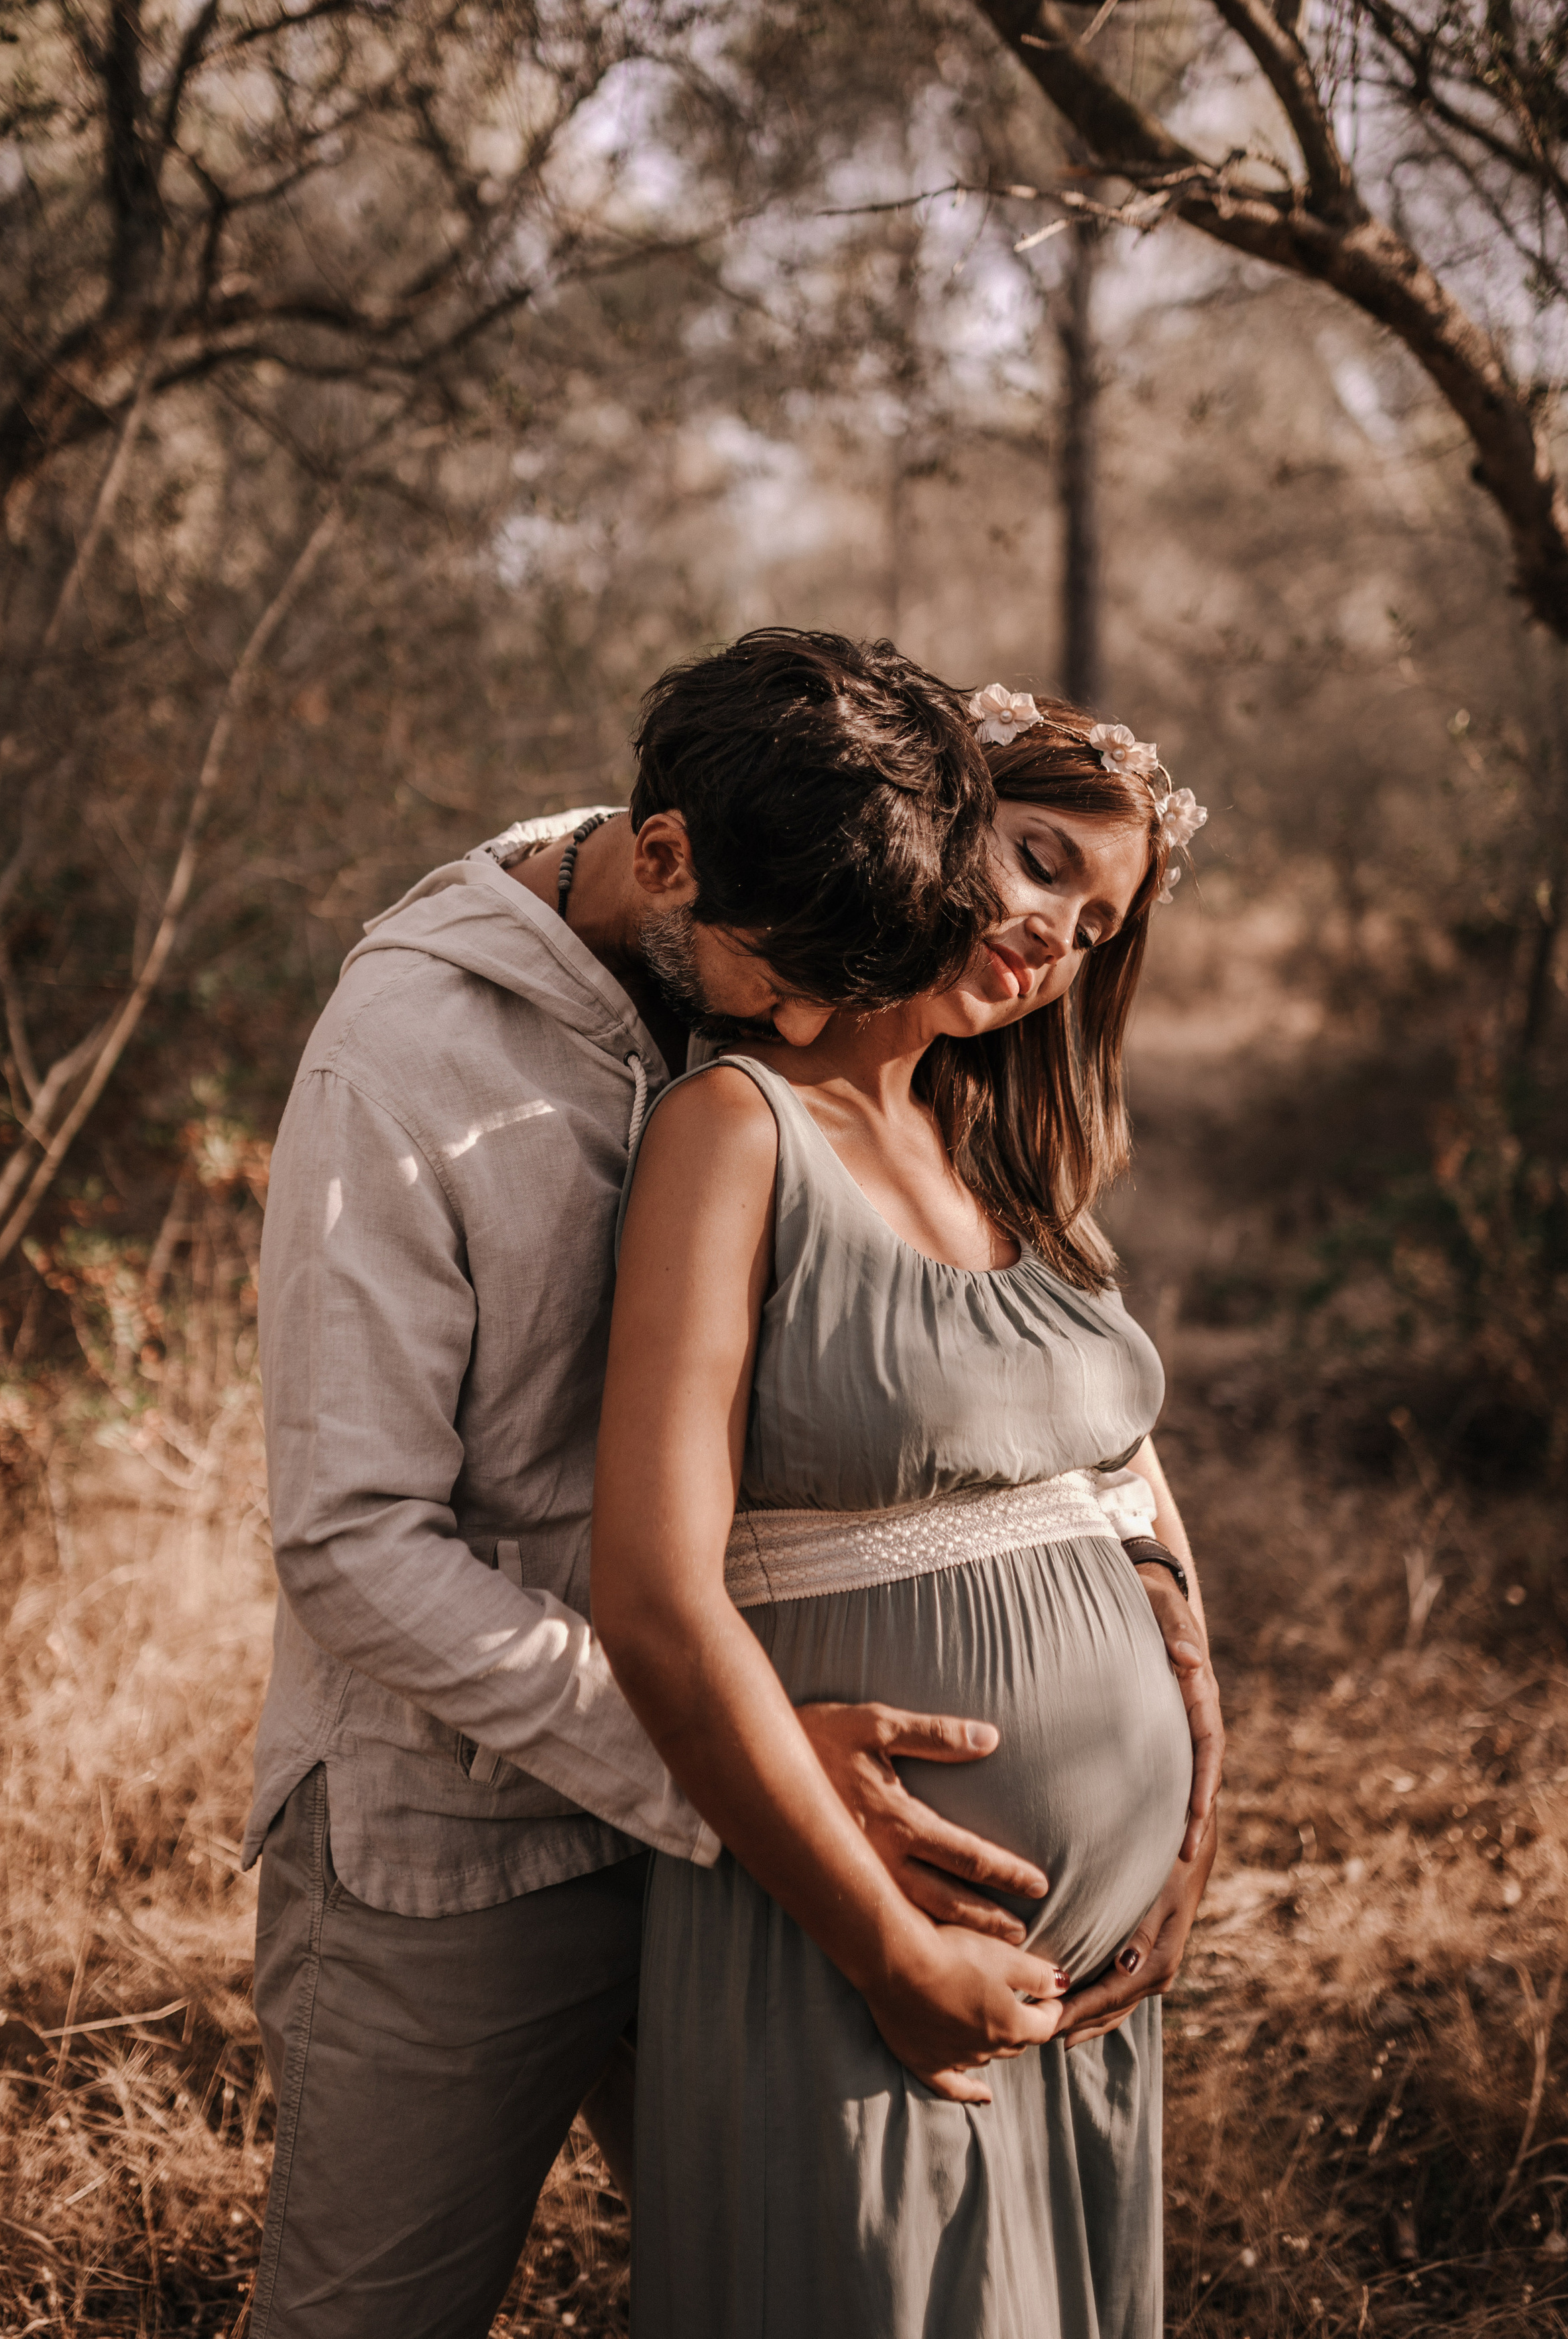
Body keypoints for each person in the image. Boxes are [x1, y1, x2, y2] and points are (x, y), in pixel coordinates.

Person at [241, 632, 1109, 2339]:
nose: (797, 1024)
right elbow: (350, 1544)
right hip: (460, 1851)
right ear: (661, 856)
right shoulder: (404, 1064)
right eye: (779, 977)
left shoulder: (789, 864)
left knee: (792, 2295)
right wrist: (728, 1766)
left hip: (755, 1840)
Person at [594, 687, 1220, 2339]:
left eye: (1096, 923)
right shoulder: (736, 1132)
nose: (1051, 934)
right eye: (1032, 859)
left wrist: (1190, 1823)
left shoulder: (1006, 1157)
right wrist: (885, 1947)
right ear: (923, 821)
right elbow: (653, 1596)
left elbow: (1129, 1508)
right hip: (853, 1950)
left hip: (1084, 1987)